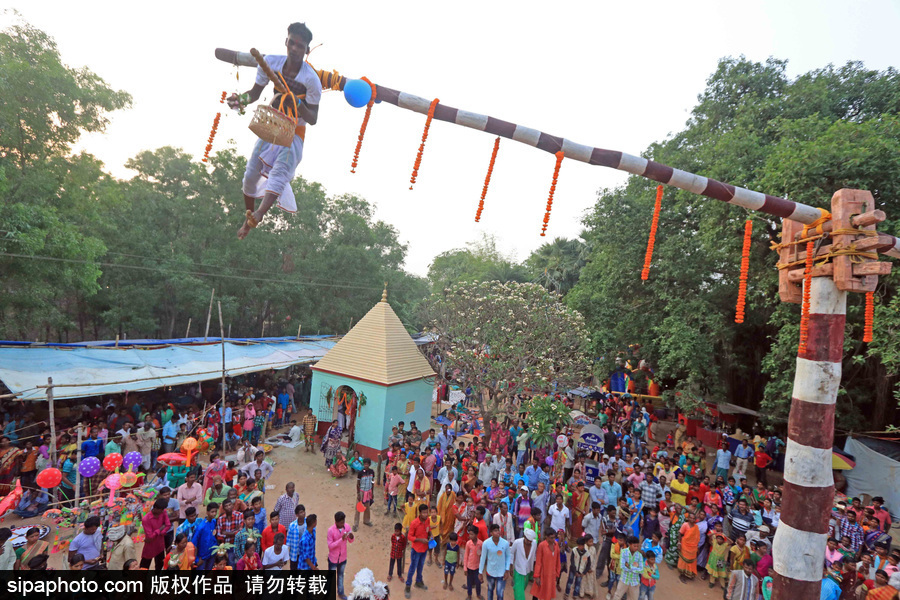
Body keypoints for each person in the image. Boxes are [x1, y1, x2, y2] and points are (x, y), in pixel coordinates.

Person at [229, 22, 322, 239]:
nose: (295, 49)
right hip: (271, 124)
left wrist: (298, 106)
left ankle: (259, 214)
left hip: (295, 130)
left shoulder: (311, 80)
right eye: (292, 43)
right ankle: (248, 219)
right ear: (286, 42)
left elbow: (314, 118)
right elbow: (253, 94)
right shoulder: (270, 63)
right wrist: (239, 101)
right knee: (251, 173)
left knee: (280, 172)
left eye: (300, 46)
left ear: (307, 50)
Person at [480, 523, 511, 600]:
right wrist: (480, 572)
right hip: (490, 572)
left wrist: (507, 569)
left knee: (500, 593)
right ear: (491, 533)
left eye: (498, 530)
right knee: (490, 590)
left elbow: (508, 556)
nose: (498, 532)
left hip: (502, 572)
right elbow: (483, 558)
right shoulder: (486, 543)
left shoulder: (505, 543)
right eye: (495, 530)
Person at [406, 504, 431, 598]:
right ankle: (408, 586)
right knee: (413, 568)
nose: (426, 514)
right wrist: (420, 540)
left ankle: (419, 582)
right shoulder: (414, 523)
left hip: (424, 549)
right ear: (420, 513)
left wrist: (431, 535)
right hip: (416, 550)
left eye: (426, 512)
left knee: (420, 567)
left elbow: (428, 530)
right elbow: (409, 536)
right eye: (424, 512)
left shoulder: (428, 520)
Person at [328, 511, 354, 600]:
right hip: (333, 559)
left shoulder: (347, 527)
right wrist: (341, 540)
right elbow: (330, 546)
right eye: (341, 522)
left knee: (340, 575)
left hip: (343, 557)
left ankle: (341, 593)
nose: (343, 524)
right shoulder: (330, 530)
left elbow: (351, 541)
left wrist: (351, 537)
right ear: (336, 522)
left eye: (343, 521)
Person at [531, 527, 561, 600]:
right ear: (546, 537)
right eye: (551, 538)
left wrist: (557, 573)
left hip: (552, 574)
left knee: (548, 593)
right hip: (542, 574)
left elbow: (558, 560)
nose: (553, 540)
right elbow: (538, 562)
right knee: (537, 592)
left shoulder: (556, 545)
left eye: (554, 538)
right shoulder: (542, 546)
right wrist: (537, 576)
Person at [613, 535, 644, 600]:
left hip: (634, 582)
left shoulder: (639, 555)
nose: (636, 548)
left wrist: (629, 567)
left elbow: (641, 570)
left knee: (633, 598)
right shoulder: (624, 552)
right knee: (617, 596)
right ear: (629, 544)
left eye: (637, 546)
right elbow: (622, 566)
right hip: (624, 579)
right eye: (634, 546)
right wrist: (635, 568)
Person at [192, 502, 220, 570]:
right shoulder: (201, 527)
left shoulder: (214, 522)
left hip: (211, 555)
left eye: (215, 512)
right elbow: (194, 544)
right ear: (207, 512)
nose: (214, 514)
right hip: (202, 557)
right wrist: (196, 559)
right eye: (212, 512)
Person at [564, 535, 591, 600]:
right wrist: (575, 571)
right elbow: (572, 562)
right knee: (570, 582)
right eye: (578, 545)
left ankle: (575, 594)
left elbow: (588, 564)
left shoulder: (587, 554)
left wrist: (584, 572)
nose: (579, 547)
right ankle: (566, 593)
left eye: (580, 545)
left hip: (581, 571)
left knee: (578, 584)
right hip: (573, 570)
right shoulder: (574, 550)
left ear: (583, 545)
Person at [463, 524, 484, 600]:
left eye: (472, 534)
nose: (470, 536)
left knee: (478, 582)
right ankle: (469, 595)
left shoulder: (480, 543)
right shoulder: (468, 543)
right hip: (469, 567)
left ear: (476, 534)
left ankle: (478, 594)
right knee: (469, 582)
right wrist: (465, 568)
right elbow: (466, 556)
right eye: (469, 534)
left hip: (477, 567)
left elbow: (482, 556)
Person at [355, 458, 375, 531]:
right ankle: (356, 524)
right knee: (358, 507)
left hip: (368, 492)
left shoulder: (372, 472)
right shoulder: (360, 473)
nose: (366, 465)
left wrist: (372, 492)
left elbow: (372, 482)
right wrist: (358, 494)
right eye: (365, 464)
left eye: (367, 464)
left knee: (367, 507)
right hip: (361, 492)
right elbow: (358, 484)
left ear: (369, 464)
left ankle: (366, 521)